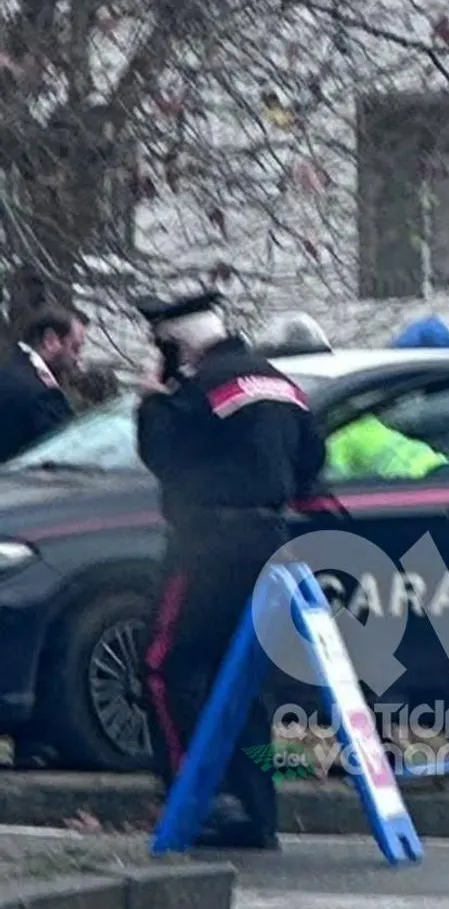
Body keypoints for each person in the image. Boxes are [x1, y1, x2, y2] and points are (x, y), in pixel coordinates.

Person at [136, 290, 327, 850]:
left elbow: (164, 457)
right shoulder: (281, 383)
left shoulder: (196, 392)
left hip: (206, 546)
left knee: (164, 667)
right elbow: (312, 462)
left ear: (176, 348)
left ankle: (196, 800)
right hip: (269, 543)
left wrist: (150, 402)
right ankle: (256, 812)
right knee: (241, 678)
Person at [0, 304, 86, 463]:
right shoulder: (39, 395)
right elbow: (67, 454)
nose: (79, 358)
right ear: (50, 341)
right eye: (75, 348)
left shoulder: (9, 371)